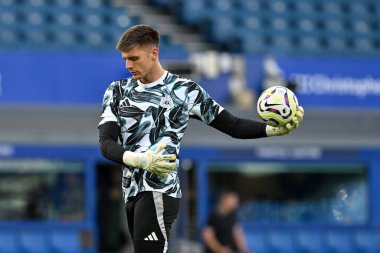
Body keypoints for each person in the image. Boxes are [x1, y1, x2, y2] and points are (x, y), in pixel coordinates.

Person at [98, 24, 304, 253]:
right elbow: (106, 144)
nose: (128, 65)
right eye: (125, 59)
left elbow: (233, 125)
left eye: (134, 58)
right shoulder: (116, 91)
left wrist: (271, 130)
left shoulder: (185, 91)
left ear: (153, 53)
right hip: (131, 192)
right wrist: (139, 160)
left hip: (159, 189)